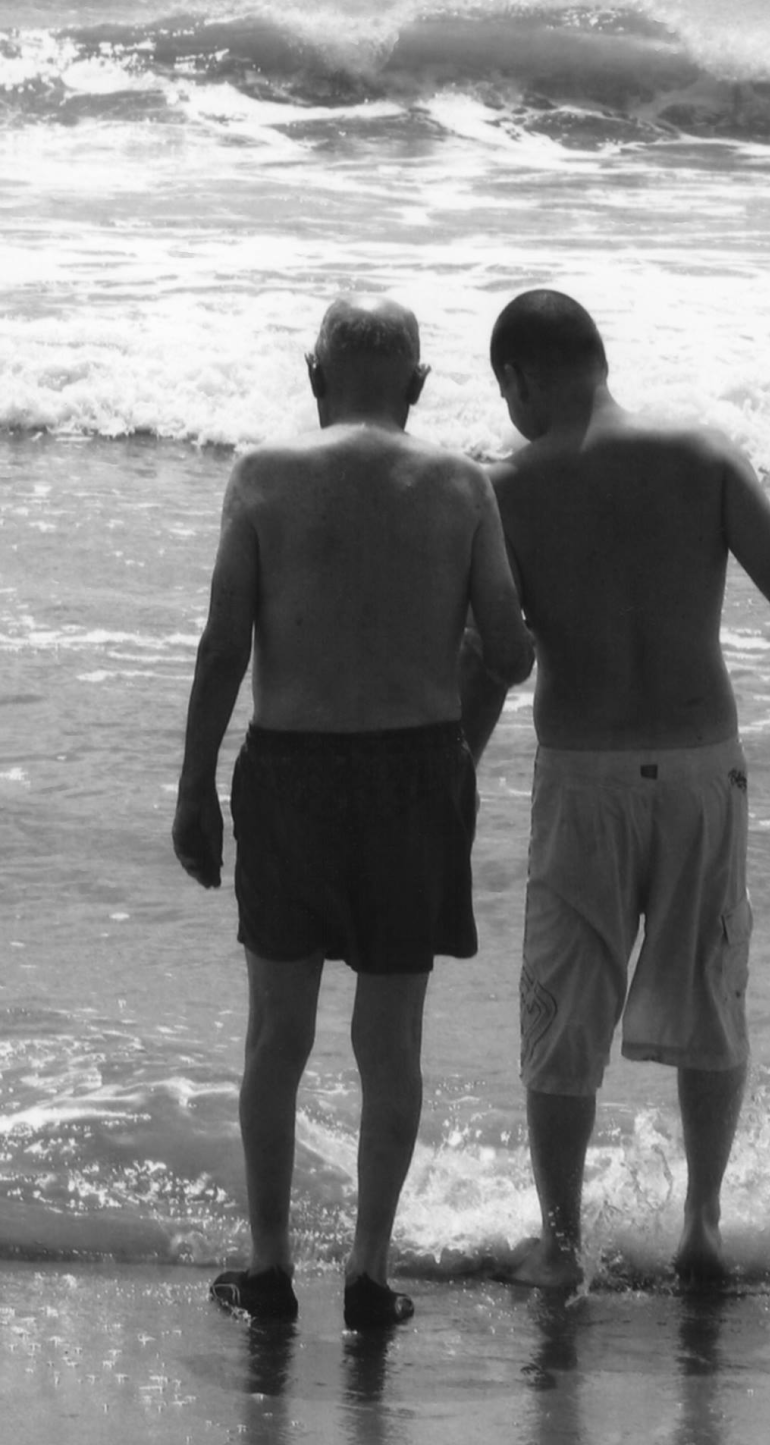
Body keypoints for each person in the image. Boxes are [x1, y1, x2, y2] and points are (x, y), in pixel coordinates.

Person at [459, 289, 770, 1289]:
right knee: (709, 989)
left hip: (584, 774)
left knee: (563, 1007)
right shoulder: (704, 455)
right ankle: (701, 1225)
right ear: (601, 358)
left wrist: (453, 778)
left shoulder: (504, 488)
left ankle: (560, 1246)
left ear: (521, 377)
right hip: (699, 768)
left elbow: (490, 657)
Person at [172, 296, 534, 1328]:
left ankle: (270, 1265)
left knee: (275, 1033)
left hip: (291, 771)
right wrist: (515, 653)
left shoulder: (262, 476)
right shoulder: (462, 484)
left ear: (312, 374)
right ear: (418, 385)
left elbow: (222, 645)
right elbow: (505, 648)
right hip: (415, 778)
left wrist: (194, 786)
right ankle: (369, 1273)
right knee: (392, 1040)